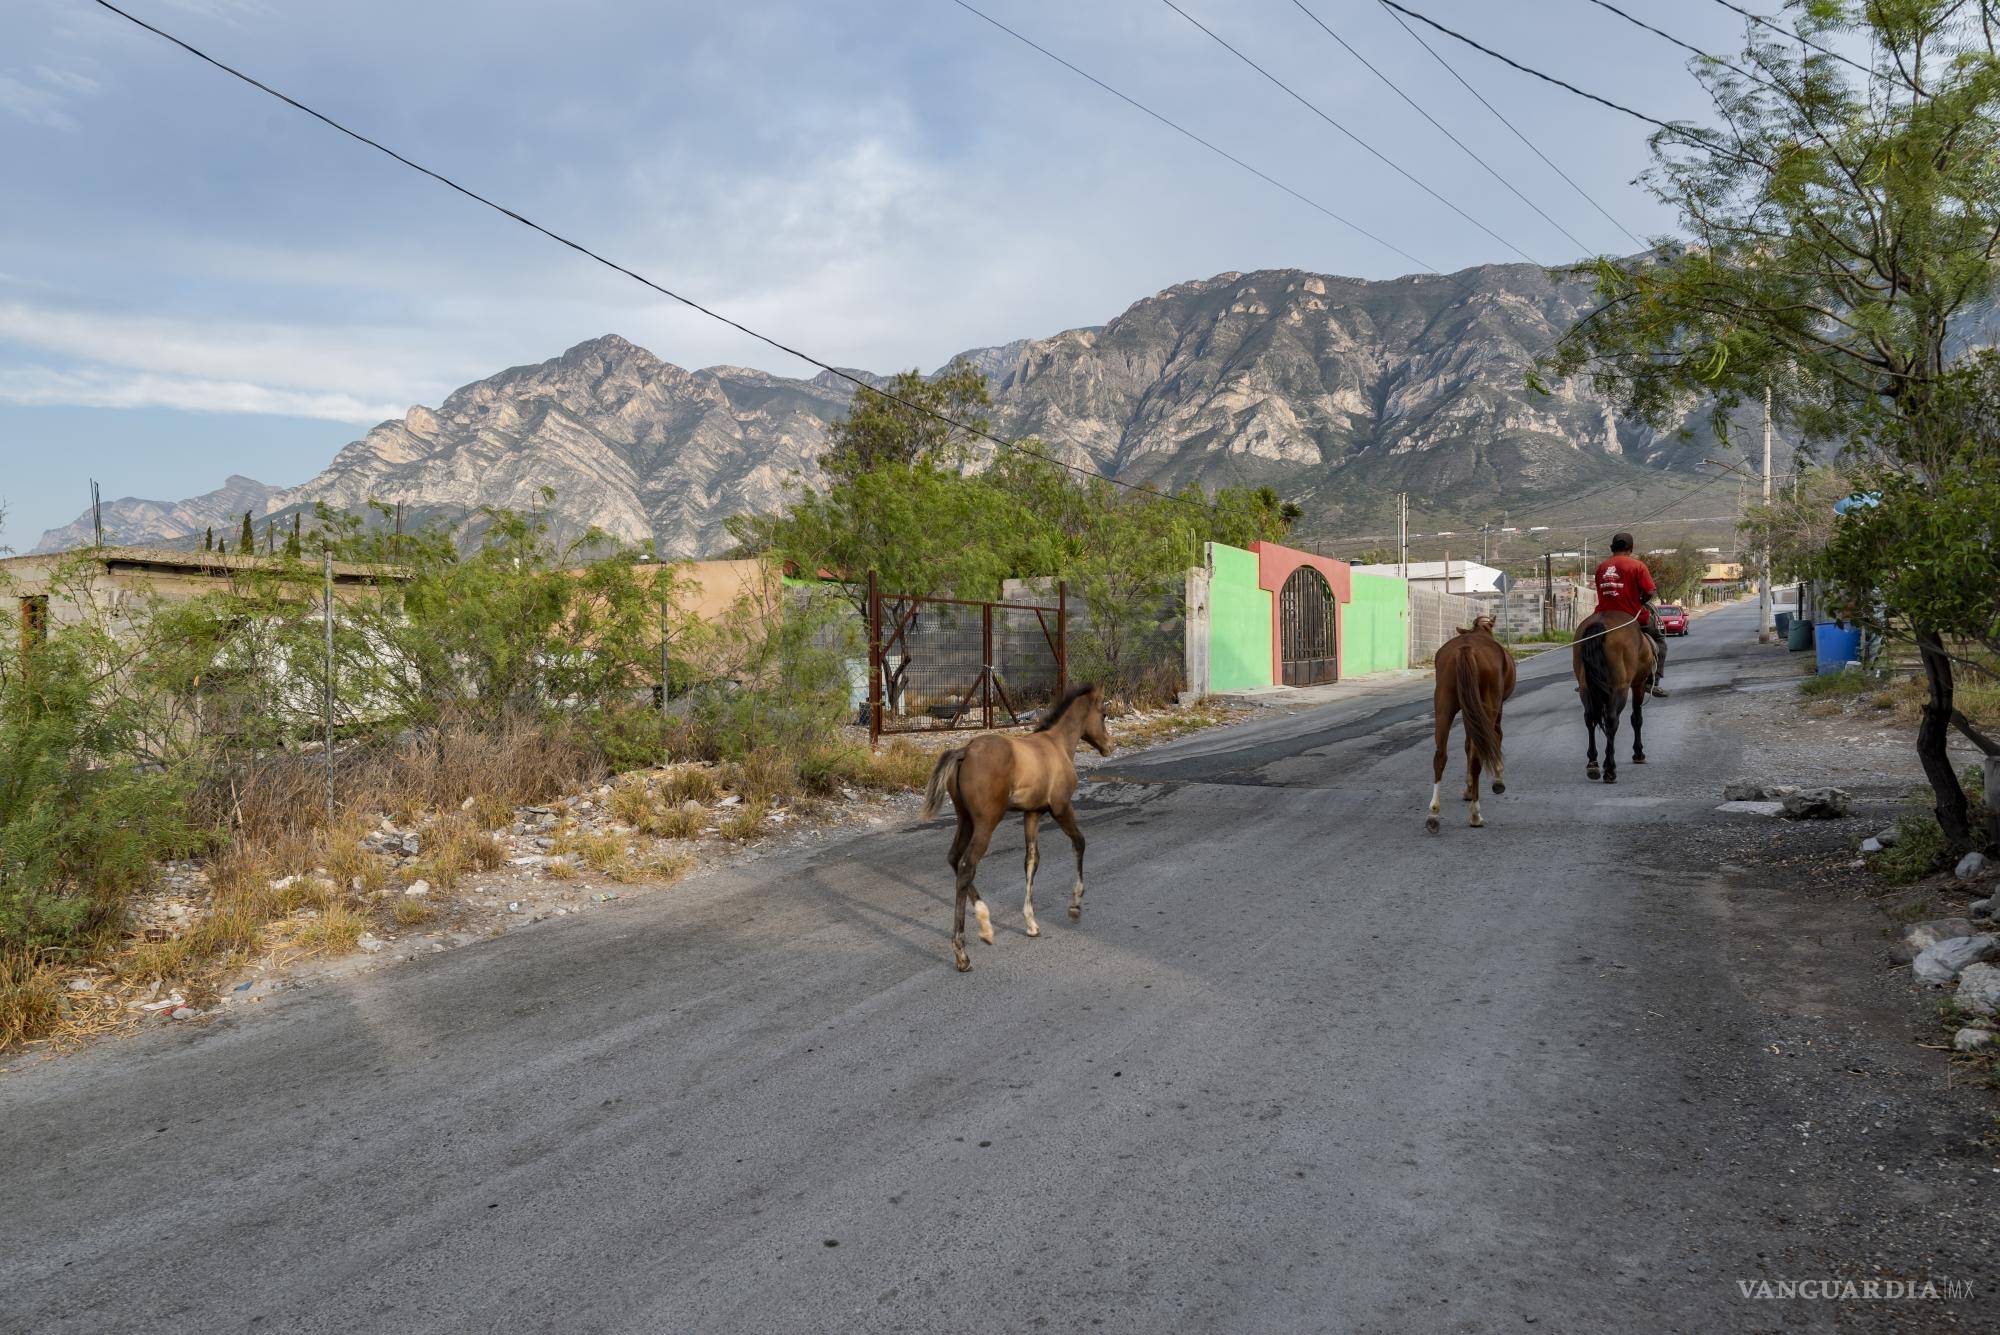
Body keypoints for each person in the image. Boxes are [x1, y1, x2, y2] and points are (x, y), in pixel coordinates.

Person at [1592, 532, 1669, 697]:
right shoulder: (1637, 566)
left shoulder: (1601, 567)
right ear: (1631, 548)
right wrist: (1641, 600)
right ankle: (1652, 682)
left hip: (1603, 616)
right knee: (1659, 640)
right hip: (1632, 615)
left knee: (1589, 641)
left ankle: (1588, 679)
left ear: (1612, 548)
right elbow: (1650, 591)